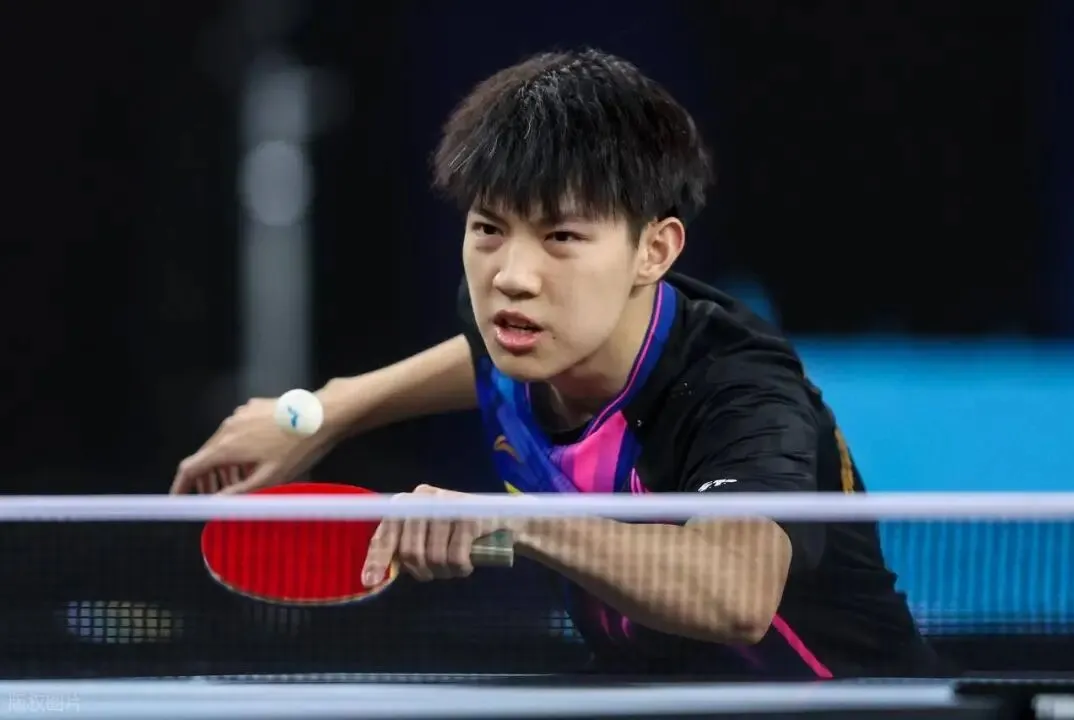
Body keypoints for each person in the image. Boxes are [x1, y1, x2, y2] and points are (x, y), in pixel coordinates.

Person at [173, 49, 941, 679]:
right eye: (488, 228)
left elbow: (736, 594)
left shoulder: (740, 391)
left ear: (654, 250)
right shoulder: (525, 331)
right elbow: (480, 359)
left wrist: (518, 520)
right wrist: (322, 412)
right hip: (648, 696)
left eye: (562, 237)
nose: (512, 276)